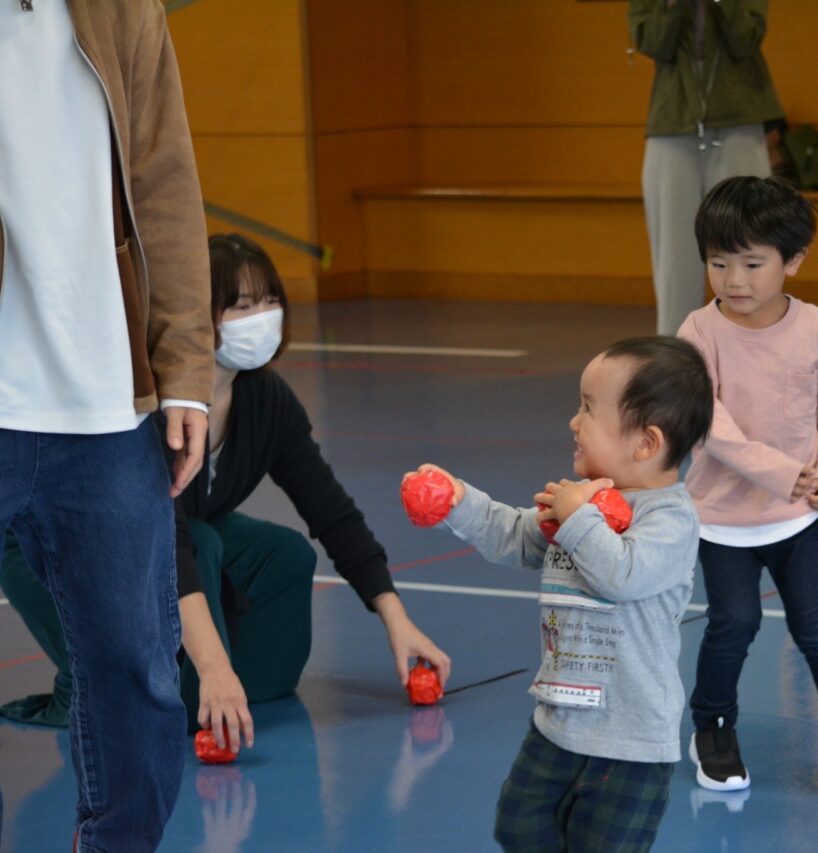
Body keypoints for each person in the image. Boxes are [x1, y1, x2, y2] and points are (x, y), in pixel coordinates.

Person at [1, 234, 452, 757]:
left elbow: (332, 513)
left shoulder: (266, 398)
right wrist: (213, 666)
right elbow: (168, 542)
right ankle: (101, 683)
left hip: (177, 542)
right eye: (241, 306)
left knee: (284, 555)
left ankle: (204, 688)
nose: (261, 317)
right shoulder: (151, 401)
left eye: (270, 300)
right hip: (63, 546)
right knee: (200, 551)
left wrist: (396, 619)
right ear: (198, 315)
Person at [0, 1, 212, 848]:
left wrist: (185, 368)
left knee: (137, 673)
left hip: (107, 403)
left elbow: (167, 184)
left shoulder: (125, 10)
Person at [407, 336, 713, 852]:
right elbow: (514, 534)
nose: (574, 422)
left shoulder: (671, 520)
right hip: (558, 723)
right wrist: (458, 502)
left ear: (646, 443)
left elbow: (623, 574)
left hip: (630, 741)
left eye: (588, 409)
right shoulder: (581, 504)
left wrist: (577, 517)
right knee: (518, 827)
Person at [675, 175, 818, 797]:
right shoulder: (698, 332)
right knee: (732, 624)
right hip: (721, 521)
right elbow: (709, 425)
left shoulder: (816, 327)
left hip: (798, 519)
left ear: (794, 261)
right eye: (718, 263)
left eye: (752, 264)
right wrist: (786, 475)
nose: (734, 279)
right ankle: (712, 727)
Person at [629, 0, 784, 335]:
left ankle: (756, 344)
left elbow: (746, 38)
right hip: (672, 123)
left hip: (739, 118)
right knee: (674, 254)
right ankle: (676, 350)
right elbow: (652, 43)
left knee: (749, 241)